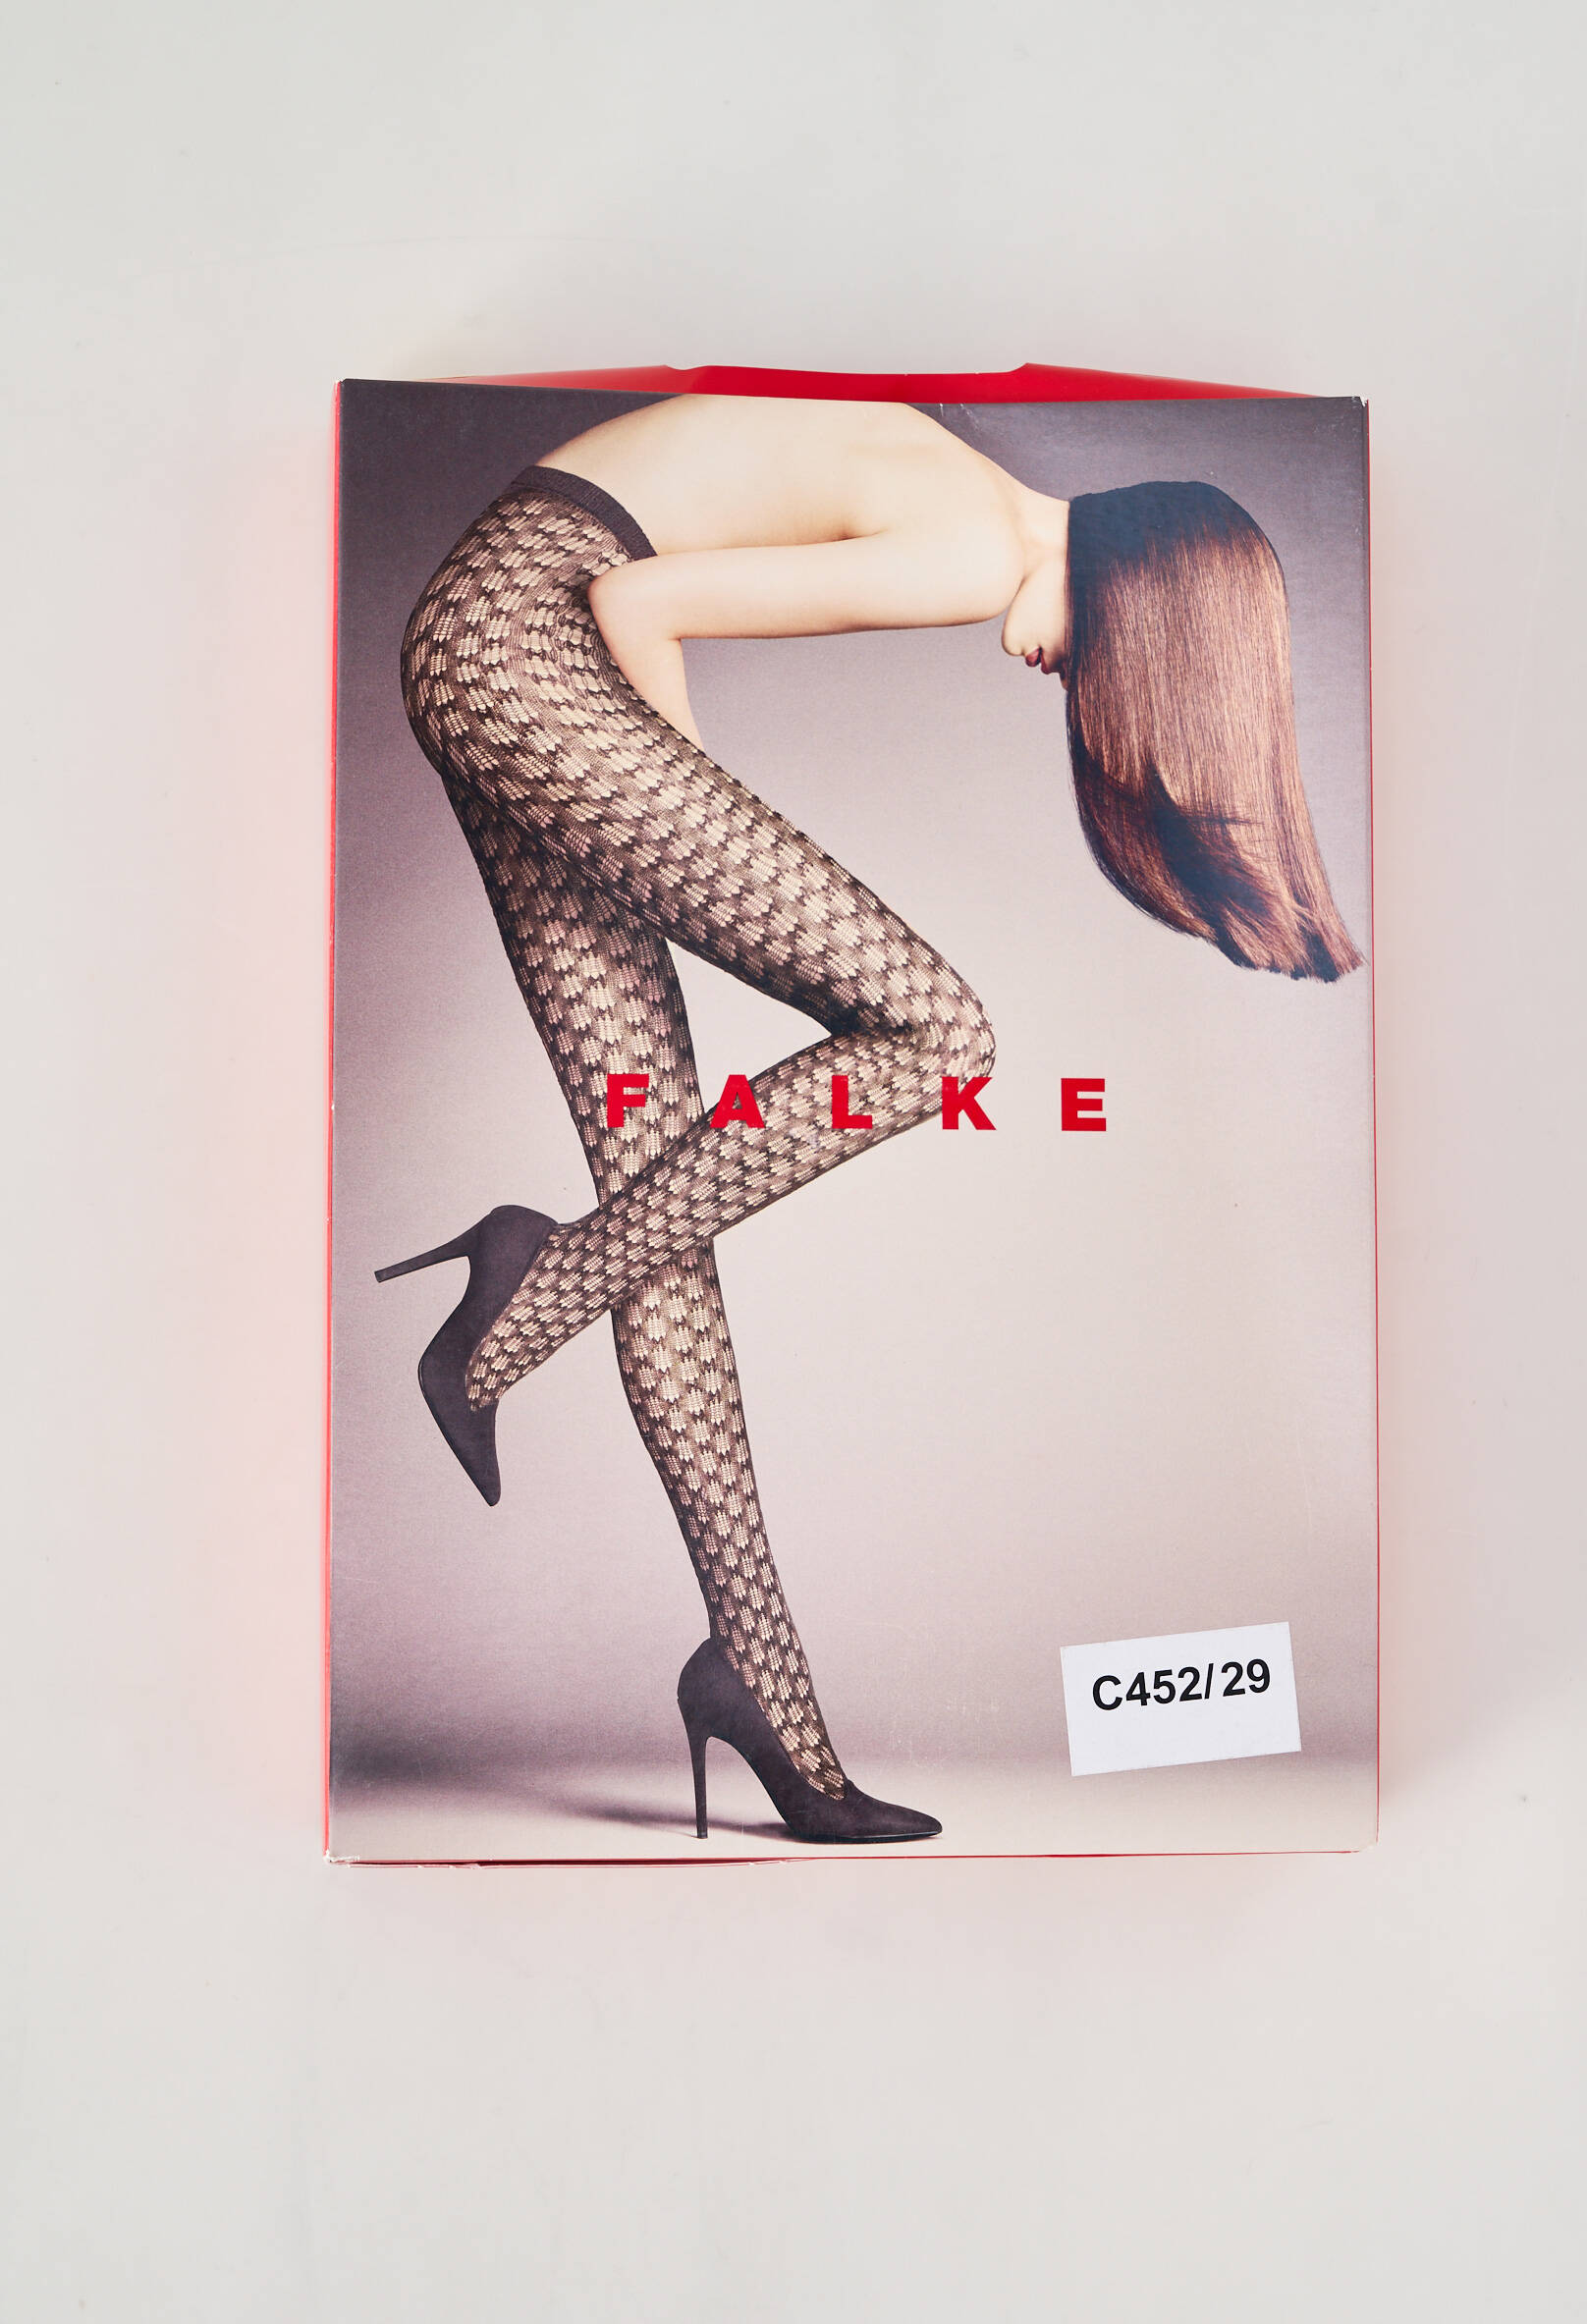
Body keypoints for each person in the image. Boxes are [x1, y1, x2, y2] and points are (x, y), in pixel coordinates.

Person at [380, 395, 1361, 1846]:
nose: (1066, 681)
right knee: (939, 1036)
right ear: (1145, 617)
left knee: (665, 1200)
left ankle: (760, 1685)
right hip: (526, 644)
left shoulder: (961, 493)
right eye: (1107, 669)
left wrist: (663, 830)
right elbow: (633, 599)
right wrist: (677, 838)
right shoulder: (978, 542)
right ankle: (527, 1298)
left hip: (489, 642)